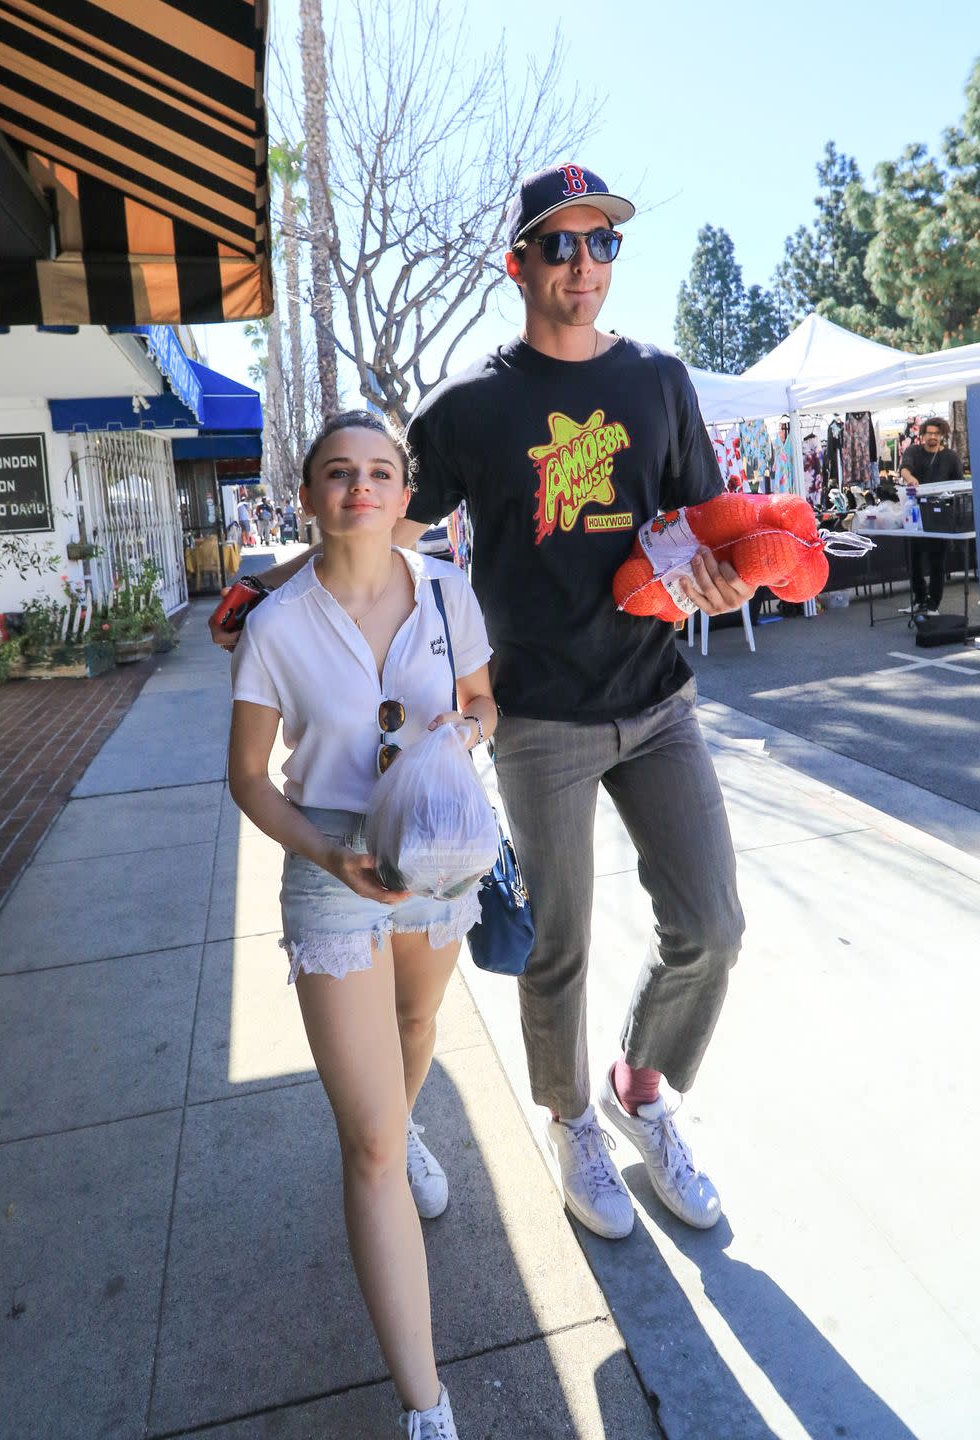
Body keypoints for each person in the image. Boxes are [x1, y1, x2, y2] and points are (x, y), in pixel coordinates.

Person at [211, 164, 753, 1246]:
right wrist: (271, 593)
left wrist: (733, 576)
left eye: (602, 245)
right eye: (560, 246)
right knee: (557, 942)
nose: (584, 265)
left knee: (712, 925)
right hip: (538, 715)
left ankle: (641, 1089)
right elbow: (379, 522)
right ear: (519, 264)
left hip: (655, 697)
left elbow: (707, 524)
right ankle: (571, 1123)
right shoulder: (470, 410)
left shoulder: (659, 382)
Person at [227, 410, 495, 1439]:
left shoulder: (448, 592)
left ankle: (408, 1114)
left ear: (402, 492)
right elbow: (249, 777)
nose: (361, 488)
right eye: (338, 473)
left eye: (380, 472)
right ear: (308, 496)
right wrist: (323, 851)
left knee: (418, 1030)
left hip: (435, 844)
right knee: (371, 1147)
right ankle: (427, 1408)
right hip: (336, 861)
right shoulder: (278, 625)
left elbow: (483, 700)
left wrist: (462, 731)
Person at [899, 416, 964, 615]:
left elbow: (959, 485)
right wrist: (911, 480)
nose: (932, 437)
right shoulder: (913, 451)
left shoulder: (951, 457)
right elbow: (904, 469)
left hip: (940, 516)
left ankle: (933, 604)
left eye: (936, 433)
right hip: (915, 513)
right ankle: (919, 599)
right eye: (929, 433)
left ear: (942, 435)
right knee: (914, 560)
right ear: (923, 434)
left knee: (937, 561)